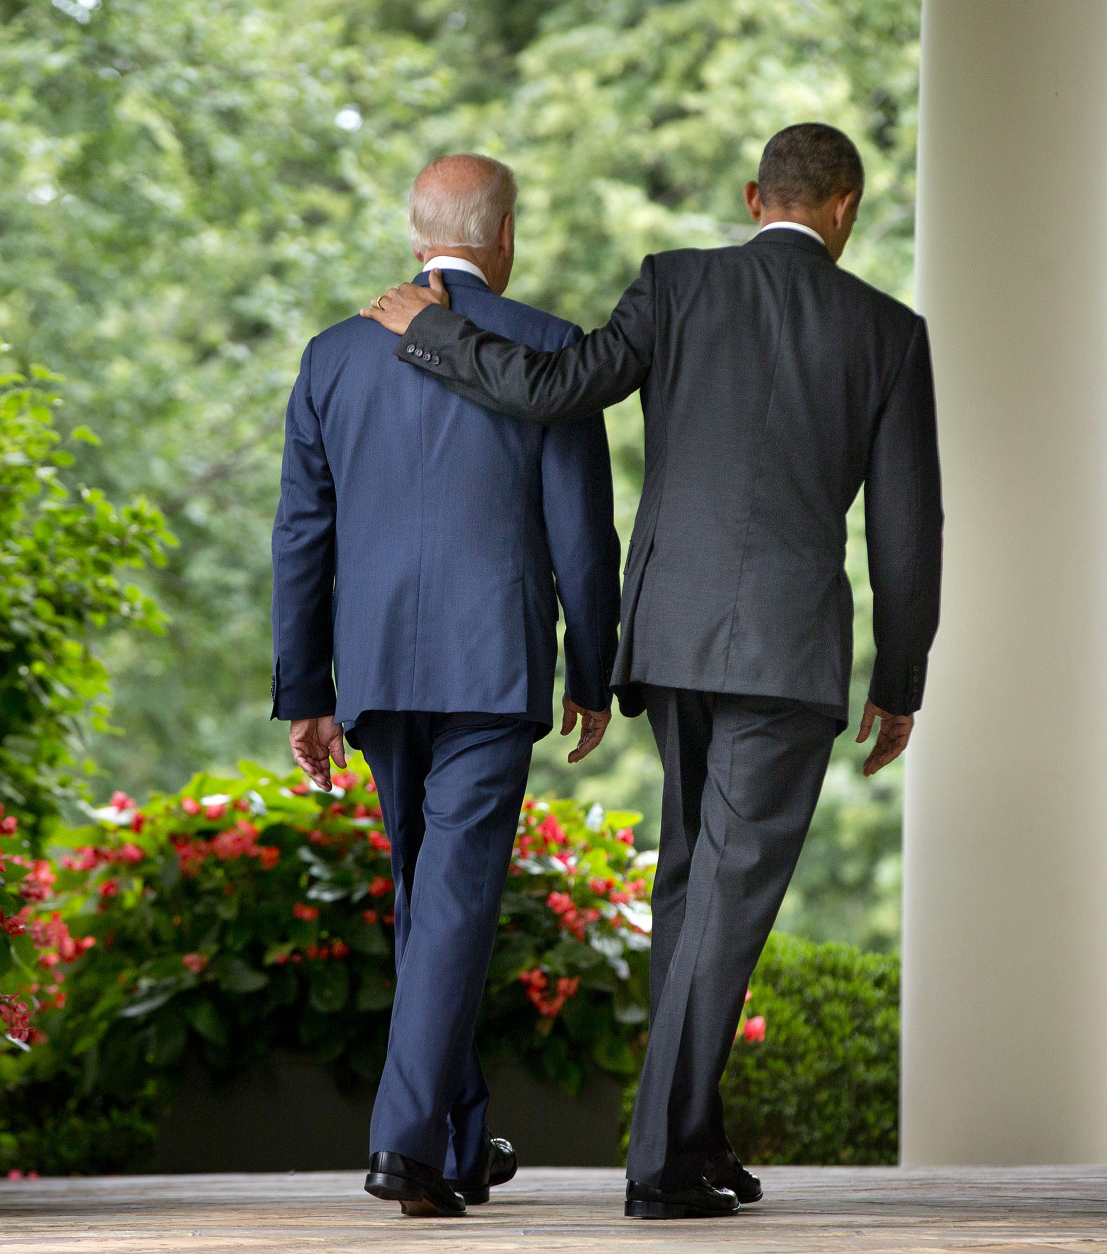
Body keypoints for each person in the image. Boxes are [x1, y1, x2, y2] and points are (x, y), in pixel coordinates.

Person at [362, 123, 943, 1219]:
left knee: (692, 887)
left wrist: (439, 339)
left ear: (749, 192)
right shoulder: (886, 331)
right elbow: (908, 534)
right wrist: (899, 678)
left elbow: (560, 388)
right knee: (723, 899)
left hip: (668, 639)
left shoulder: (673, 285)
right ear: (846, 207)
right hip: (784, 655)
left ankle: (698, 1135)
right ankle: (662, 1168)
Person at [271, 153, 621, 1217]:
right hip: (493, 662)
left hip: (373, 668)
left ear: (411, 229)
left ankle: (460, 1141)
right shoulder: (551, 349)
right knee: (455, 895)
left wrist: (306, 690)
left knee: (432, 898)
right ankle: (404, 1147)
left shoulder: (332, 357)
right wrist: (593, 668)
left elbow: (301, 535)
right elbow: (582, 534)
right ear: (502, 232)